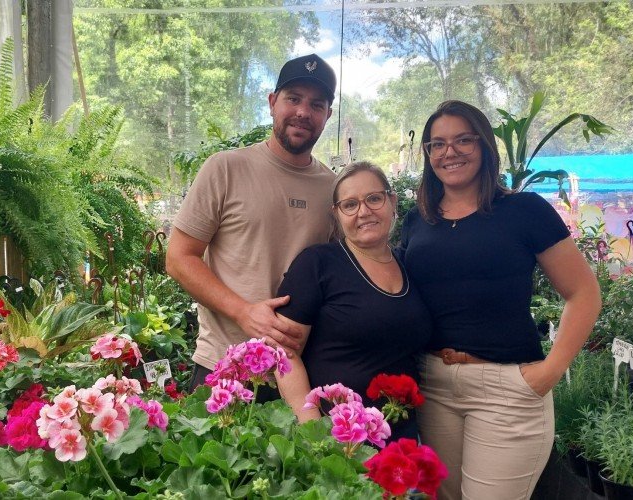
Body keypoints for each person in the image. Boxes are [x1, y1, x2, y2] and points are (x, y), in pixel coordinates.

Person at [400, 100, 602, 500]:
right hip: (434, 385)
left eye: (463, 140)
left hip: (506, 389)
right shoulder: (418, 219)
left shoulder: (522, 211)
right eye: (436, 144)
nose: (449, 152)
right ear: (427, 154)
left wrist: (549, 371)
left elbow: (583, 293)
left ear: (484, 146)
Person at [166, 54, 338, 391]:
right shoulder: (226, 168)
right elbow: (178, 258)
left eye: (316, 104)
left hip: (297, 374)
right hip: (225, 366)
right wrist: (243, 311)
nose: (303, 112)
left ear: (327, 115)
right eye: (293, 99)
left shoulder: (334, 190)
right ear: (272, 103)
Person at [274, 162, 432, 439]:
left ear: (392, 201)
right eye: (350, 204)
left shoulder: (409, 265)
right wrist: (312, 428)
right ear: (337, 214)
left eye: (374, 198)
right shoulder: (317, 264)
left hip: (401, 435)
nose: (364, 212)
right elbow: (284, 352)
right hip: (336, 437)